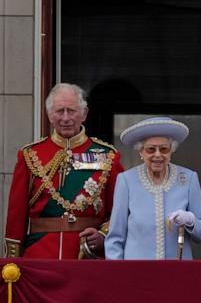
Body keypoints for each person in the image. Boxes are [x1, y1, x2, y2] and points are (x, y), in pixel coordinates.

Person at [4, 83, 124, 259]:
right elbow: (16, 216)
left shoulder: (108, 156)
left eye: (72, 111)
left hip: (87, 256)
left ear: (84, 114)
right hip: (40, 255)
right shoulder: (30, 155)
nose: (66, 118)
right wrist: (12, 263)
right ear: (49, 115)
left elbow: (120, 210)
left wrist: (104, 235)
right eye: (60, 111)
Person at [105, 116, 201, 259]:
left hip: (176, 272)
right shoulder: (126, 180)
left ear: (171, 151)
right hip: (137, 272)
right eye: (150, 149)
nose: (157, 155)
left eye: (164, 149)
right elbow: (115, 237)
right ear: (141, 152)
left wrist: (192, 221)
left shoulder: (189, 179)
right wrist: (119, 274)